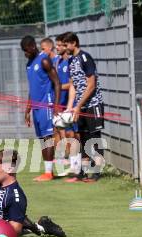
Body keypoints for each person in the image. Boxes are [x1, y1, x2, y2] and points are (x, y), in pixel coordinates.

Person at [63, 32, 104, 182]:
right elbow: (73, 85)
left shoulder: (84, 58)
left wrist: (79, 105)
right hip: (80, 107)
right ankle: (83, 173)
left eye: (66, 44)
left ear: (74, 43)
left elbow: (91, 85)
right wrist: (70, 106)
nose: (64, 47)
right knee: (82, 137)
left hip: (93, 104)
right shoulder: (71, 60)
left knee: (95, 137)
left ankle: (97, 173)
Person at [21, 36, 61, 182]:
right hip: (36, 107)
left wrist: (56, 106)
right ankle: (48, 172)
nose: (25, 54)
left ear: (32, 46)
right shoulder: (29, 64)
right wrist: (27, 109)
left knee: (48, 138)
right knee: (42, 139)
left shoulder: (44, 60)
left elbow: (57, 82)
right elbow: (32, 88)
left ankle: (49, 173)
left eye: (26, 50)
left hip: (46, 104)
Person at [54, 33, 81, 176]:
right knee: (64, 131)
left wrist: (56, 87)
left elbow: (71, 84)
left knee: (75, 134)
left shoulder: (70, 62)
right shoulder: (57, 61)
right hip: (64, 103)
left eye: (61, 45)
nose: (58, 47)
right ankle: (72, 163)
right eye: (58, 45)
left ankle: (78, 163)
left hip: (73, 103)